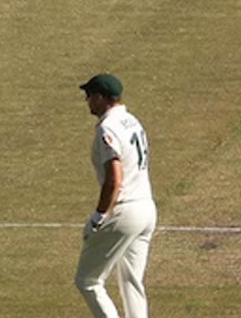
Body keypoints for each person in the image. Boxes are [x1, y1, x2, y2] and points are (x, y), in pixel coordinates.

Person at [74, 73, 157, 318]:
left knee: (88, 280)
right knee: (132, 281)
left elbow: (115, 179)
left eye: (90, 96)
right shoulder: (132, 120)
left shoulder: (107, 128)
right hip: (146, 208)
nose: (88, 101)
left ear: (101, 98)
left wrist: (99, 217)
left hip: (124, 210)